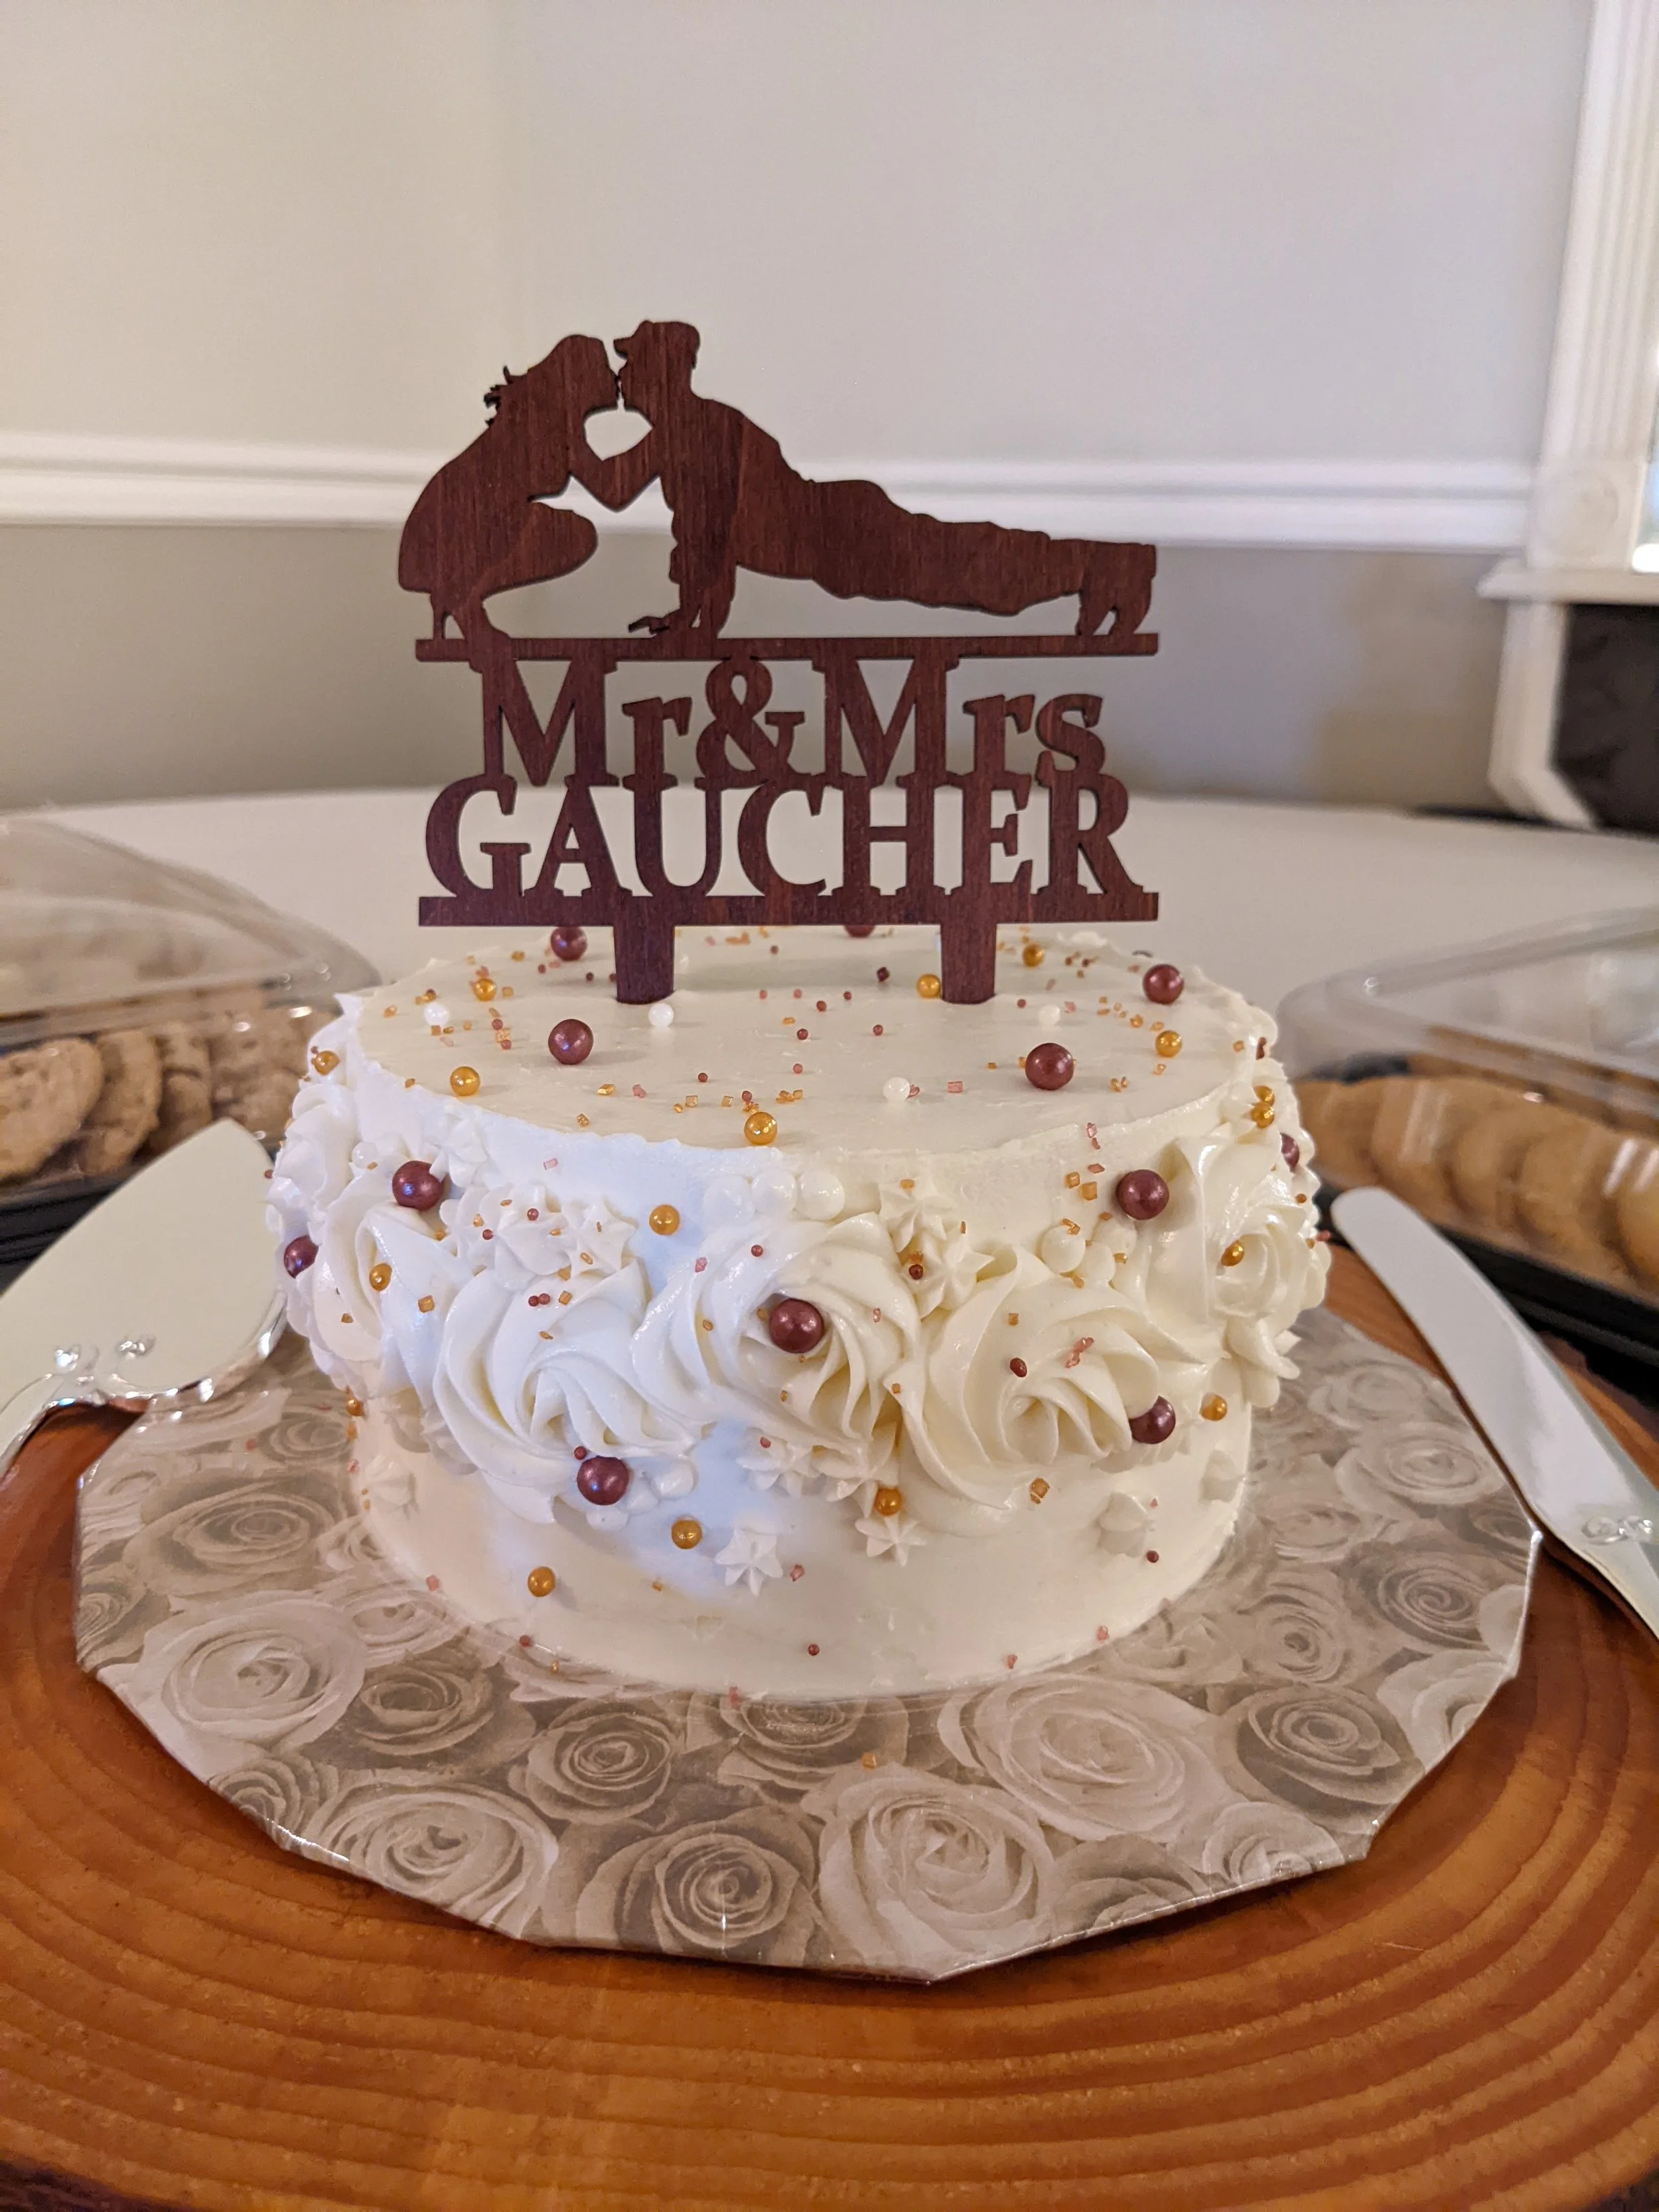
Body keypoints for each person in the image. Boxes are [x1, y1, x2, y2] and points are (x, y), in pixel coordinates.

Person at [611, 320, 1154, 640]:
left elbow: (712, 537)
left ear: (662, 372)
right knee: (956, 566)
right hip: (830, 543)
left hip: (842, 533)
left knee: (963, 571)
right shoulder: (672, 436)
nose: (622, 376)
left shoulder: (705, 429)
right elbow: (612, 488)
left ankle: (1103, 566)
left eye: (631, 363)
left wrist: (695, 622)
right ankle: (1094, 565)